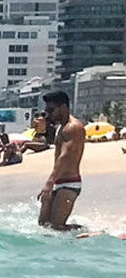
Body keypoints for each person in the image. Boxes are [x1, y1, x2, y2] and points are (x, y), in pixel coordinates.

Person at [37, 91, 85, 231]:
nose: (49, 114)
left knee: (56, 227)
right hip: (58, 181)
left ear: (63, 107)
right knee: (44, 226)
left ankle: (89, 232)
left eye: (51, 110)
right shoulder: (61, 127)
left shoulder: (73, 127)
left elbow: (65, 156)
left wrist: (49, 182)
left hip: (69, 183)